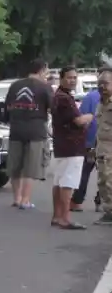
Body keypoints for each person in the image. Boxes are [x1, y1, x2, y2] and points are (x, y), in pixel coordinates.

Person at [3, 58, 54, 209]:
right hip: (36, 130)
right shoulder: (45, 87)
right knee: (30, 167)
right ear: (42, 69)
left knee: (15, 167)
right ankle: (25, 200)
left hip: (16, 129)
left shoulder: (14, 86)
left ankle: (17, 198)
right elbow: (53, 108)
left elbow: (6, 108)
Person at [49, 67, 92, 229]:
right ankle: (65, 218)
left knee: (59, 182)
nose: (72, 80)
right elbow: (78, 121)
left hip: (61, 145)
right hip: (72, 146)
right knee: (68, 183)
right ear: (61, 78)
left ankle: (57, 216)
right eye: (69, 77)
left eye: (75, 77)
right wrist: (90, 117)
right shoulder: (65, 99)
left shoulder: (58, 96)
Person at [73, 78, 102, 211]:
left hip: (91, 141)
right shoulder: (92, 96)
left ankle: (77, 201)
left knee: (85, 171)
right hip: (96, 141)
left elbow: (83, 119)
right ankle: (102, 201)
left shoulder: (90, 96)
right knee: (106, 173)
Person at [93, 68, 112, 225]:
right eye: (99, 84)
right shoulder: (100, 103)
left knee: (109, 182)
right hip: (101, 149)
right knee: (102, 182)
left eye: (105, 83)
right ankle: (109, 212)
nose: (102, 87)